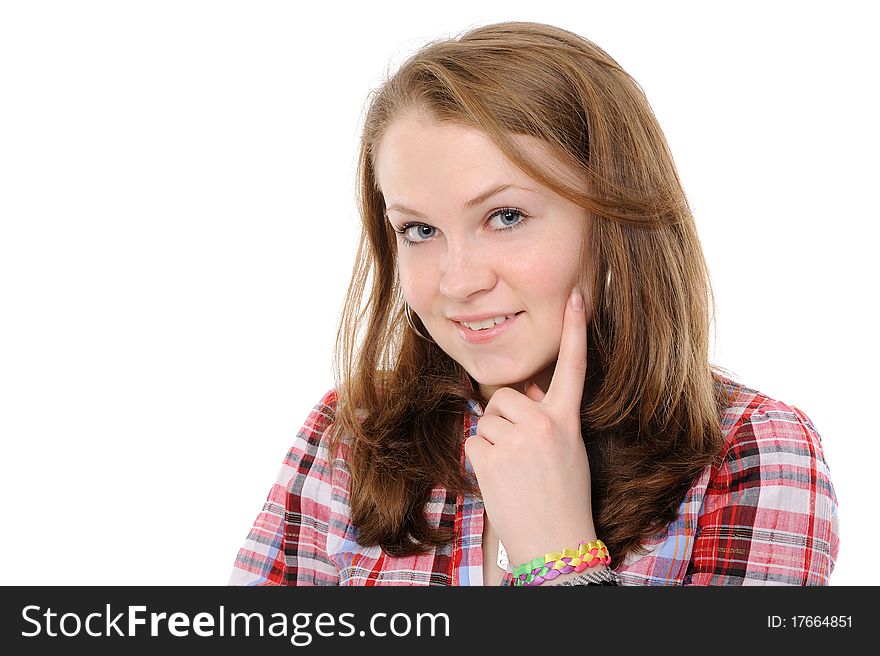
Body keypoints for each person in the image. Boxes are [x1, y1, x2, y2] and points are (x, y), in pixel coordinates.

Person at [229, 21, 839, 586]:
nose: (457, 282)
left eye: (506, 216)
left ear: (611, 224)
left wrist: (558, 556)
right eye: (418, 230)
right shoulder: (350, 436)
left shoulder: (753, 452)